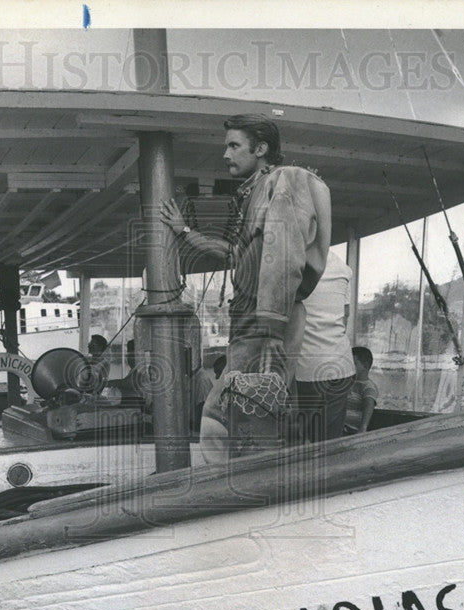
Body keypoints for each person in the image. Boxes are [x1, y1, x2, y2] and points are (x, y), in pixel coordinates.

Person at [160, 114, 332, 460]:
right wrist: (183, 231)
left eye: (234, 146)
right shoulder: (256, 191)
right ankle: (252, 489)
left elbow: (283, 255)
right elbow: (235, 254)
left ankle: (240, 496)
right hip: (251, 322)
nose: (225, 154)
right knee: (246, 415)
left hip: (265, 324)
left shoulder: (283, 181)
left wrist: (270, 331)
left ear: (261, 149)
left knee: (226, 416)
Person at [294, 250, 355, 443]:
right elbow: (345, 315)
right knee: (329, 442)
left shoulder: (294, 264)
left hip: (307, 368)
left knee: (297, 441)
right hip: (342, 365)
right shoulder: (342, 268)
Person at [343, 346, 379, 435]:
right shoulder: (347, 383)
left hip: (350, 429)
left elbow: (368, 405)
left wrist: (362, 428)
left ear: (365, 366)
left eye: (354, 364)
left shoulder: (368, 387)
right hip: (339, 424)